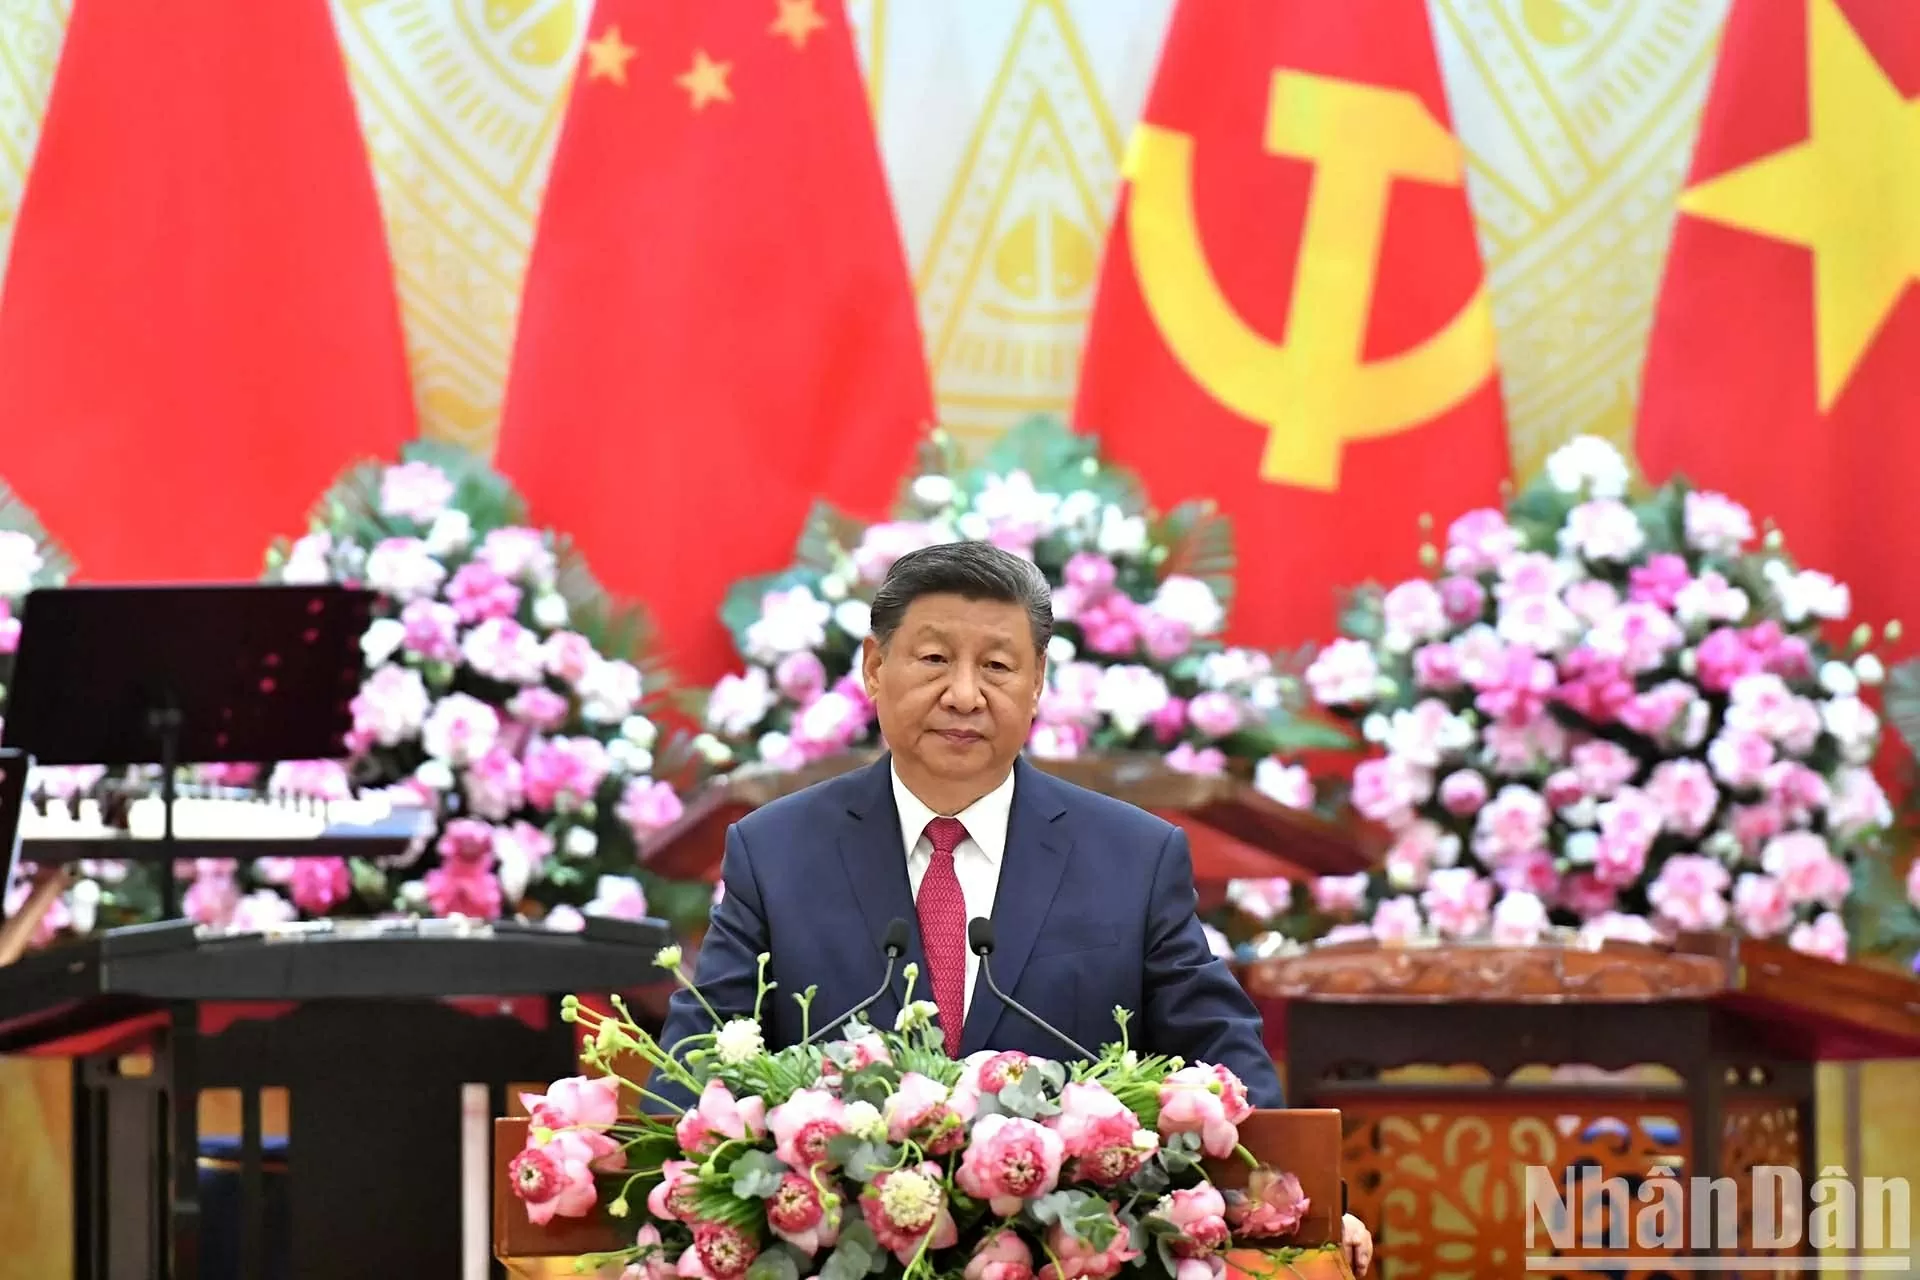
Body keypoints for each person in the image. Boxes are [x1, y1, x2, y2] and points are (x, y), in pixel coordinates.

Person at [656, 540, 1371, 1274]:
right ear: (875, 667)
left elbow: (1222, 1054)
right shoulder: (775, 852)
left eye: (997, 667)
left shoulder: (1134, 857)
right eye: (934, 659)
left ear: (1035, 687)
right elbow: (694, 1068)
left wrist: (1302, 1195)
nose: (964, 695)